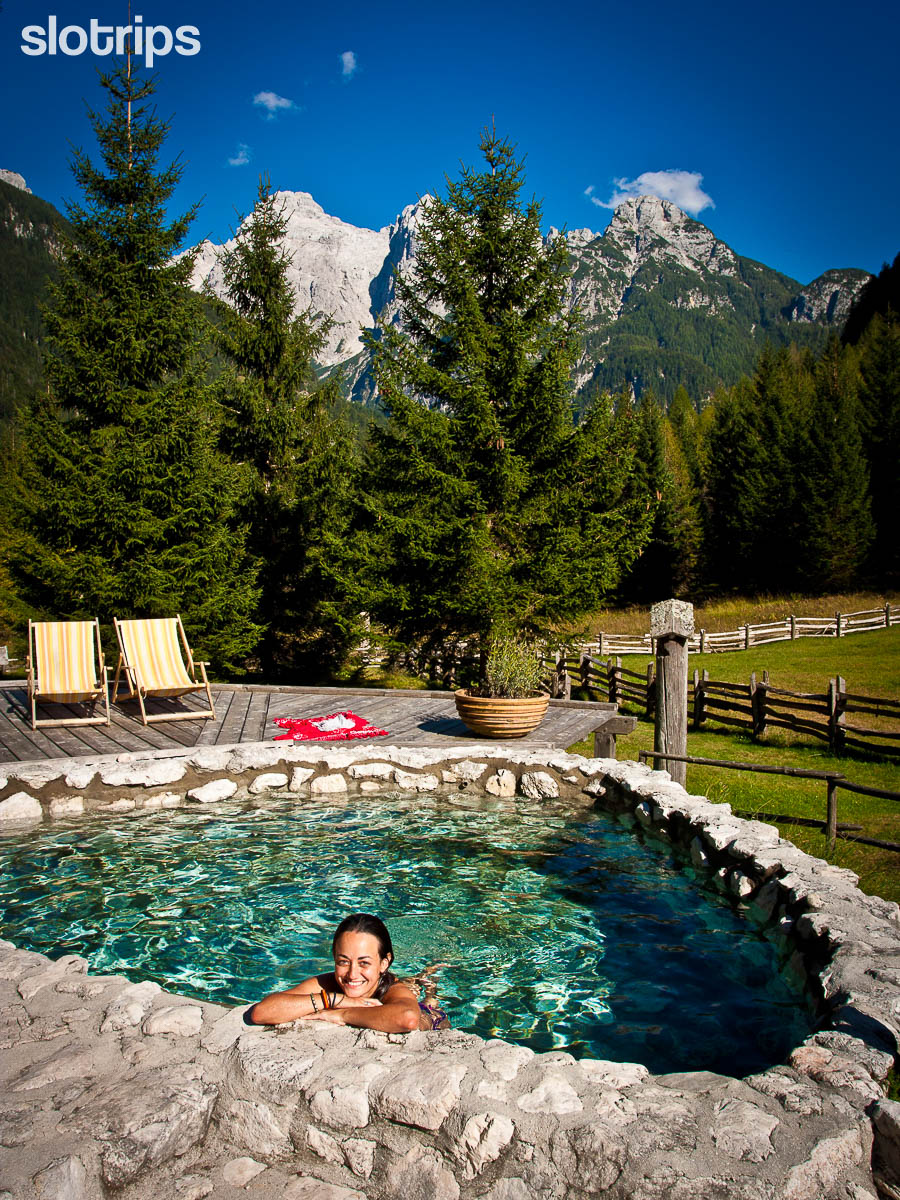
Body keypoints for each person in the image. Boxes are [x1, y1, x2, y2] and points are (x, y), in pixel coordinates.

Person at [248, 912, 450, 1032]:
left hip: (432, 1019)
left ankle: (429, 983)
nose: (352, 974)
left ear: (384, 963)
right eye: (343, 962)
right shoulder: (328, 984)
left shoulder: (393, 991)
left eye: (364, 963)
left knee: (427, 1002)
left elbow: (408, 1018)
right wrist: (333, 1000)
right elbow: (262, 1013)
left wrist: (342, 1014)